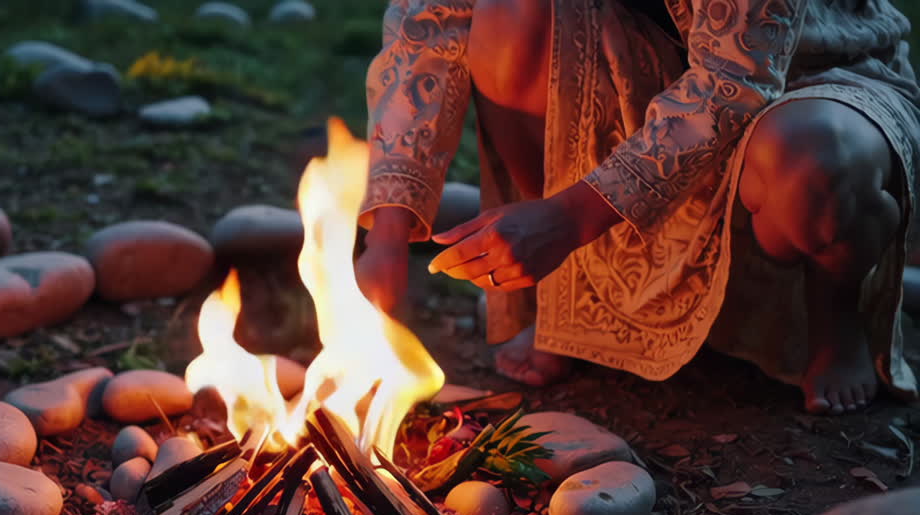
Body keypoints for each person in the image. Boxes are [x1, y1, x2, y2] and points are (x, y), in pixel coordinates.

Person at [354, 0, 920, 414]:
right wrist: (387, 234)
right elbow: (428, 29)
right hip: (638, 63)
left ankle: (835, 316)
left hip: (813, 77)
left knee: (812, 162)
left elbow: (735, 78)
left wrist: (569, 217)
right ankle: (567, 303)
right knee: (506, 15)